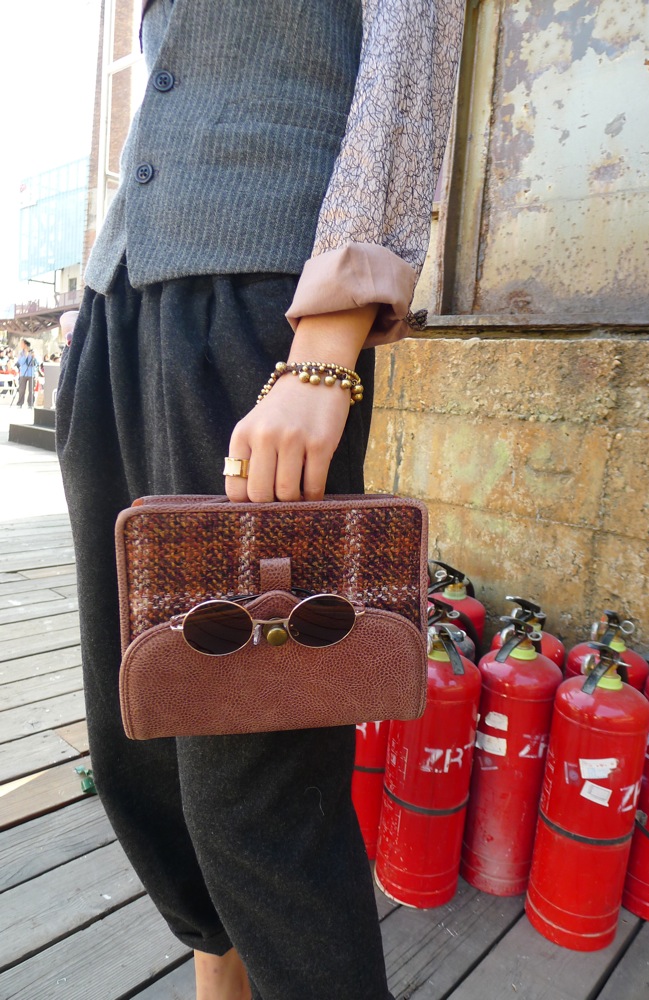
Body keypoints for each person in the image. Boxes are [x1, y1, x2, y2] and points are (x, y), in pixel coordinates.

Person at [56, 3, 465, 998]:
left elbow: (411, 42)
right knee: (142, 734)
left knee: (258, 776)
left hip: (258, 310)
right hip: (119, 308)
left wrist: (327, 341)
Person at [16, 339, 37, 407]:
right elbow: (20, 362)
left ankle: (30, 404)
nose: (20, 345)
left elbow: (36, 363)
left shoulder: (32, 351)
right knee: (22, 389)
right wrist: (25, 356)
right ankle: (20, 403)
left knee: (31, 390)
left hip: (31, 373)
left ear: (25, 344)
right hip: (23, 373)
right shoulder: (21, 353)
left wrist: (34, 357)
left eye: (21, 343)